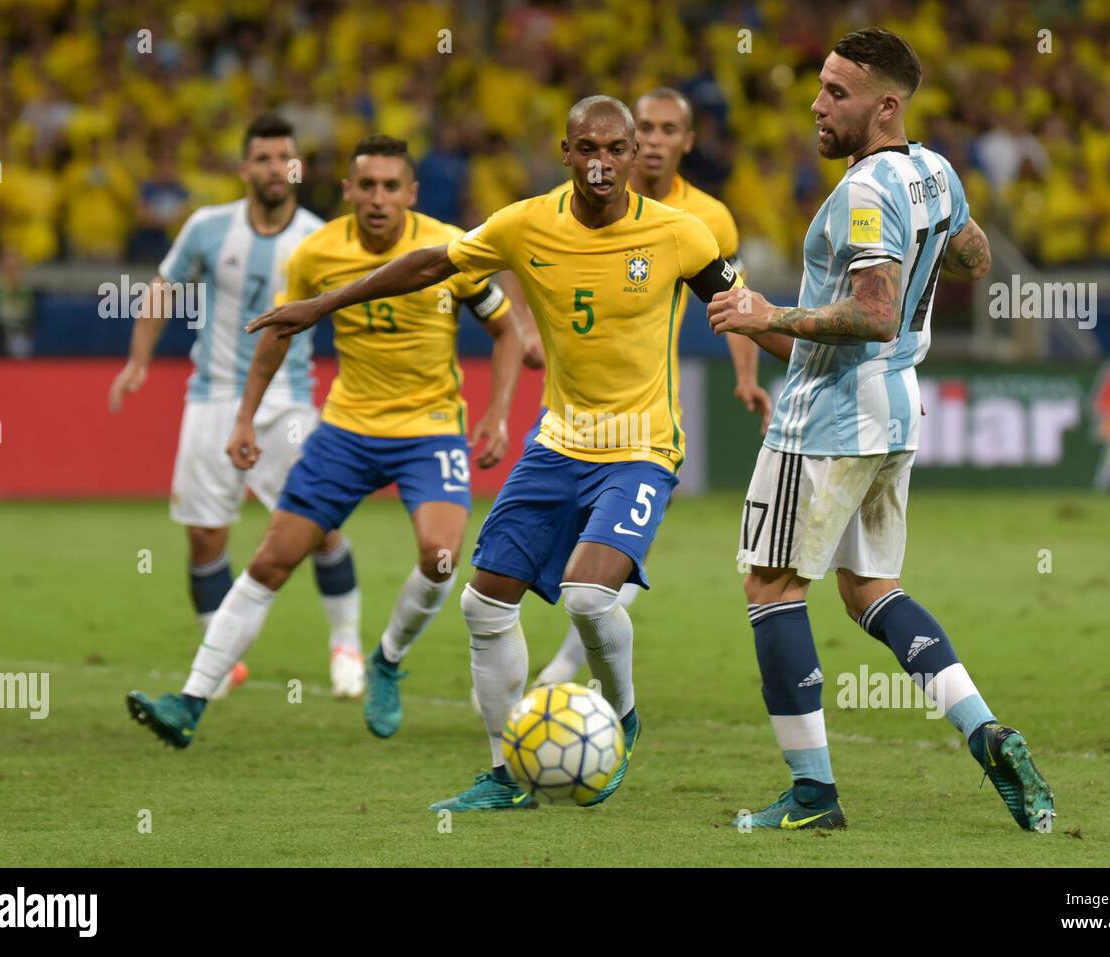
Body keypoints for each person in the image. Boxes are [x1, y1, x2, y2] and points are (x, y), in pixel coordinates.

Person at [249, 96, 745, 812]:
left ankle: (624, 714)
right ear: (566, 152)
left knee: (586, 592)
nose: (602, 163)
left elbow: (744, 311)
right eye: (587, 149)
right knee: (483, 604)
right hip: (557, 442)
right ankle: (507, 775)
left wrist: (823, 363)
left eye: (616, 149)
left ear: (635, 155)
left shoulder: (680, 234)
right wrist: (324, 304)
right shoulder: (526, 223)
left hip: (641, 446)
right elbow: (428, 265)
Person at [708, 29, 1055, 832]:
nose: (817, 105)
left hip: (827, 417)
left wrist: (768, 311)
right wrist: (927, 240)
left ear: (885, 105)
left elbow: (873, 312)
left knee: (770, 586)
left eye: (837, 93)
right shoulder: (934, 170)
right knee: (870, 591)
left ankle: (812, 796)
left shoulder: (866, 191)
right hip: (895, 408)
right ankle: (987, 731)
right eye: (821, 87)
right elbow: (976, 256)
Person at [124, 135, 522, 748]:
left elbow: (505, 332)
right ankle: (189, 701)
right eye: (367, 186)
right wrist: (243, 418)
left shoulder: (450, 247)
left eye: (392, 187)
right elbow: (278, 334)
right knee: (270, 561)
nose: (379, 199)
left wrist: (496, 413)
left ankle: (387, 658)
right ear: (347, 192)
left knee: (440, 559)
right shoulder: (316, 253)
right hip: (346, 431)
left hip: (429, 431)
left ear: (411, 194)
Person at [528, 87, 785, 691]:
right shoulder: (574, 206)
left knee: (601, 563)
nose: (658, 140)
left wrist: (746, 377)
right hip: (568, 412)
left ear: (685, 142)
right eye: (648, 126)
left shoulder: (706, 220)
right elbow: (514, 254)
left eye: (671, 129)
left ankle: (575, 667)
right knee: (534, 562)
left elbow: (733, 303)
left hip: (645, 418)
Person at [110, 114, 359, 701]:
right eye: (265, 158)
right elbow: (164, 286)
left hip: (289, 401)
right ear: (245, 168)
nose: (276, 168)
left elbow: (356, 312)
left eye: (285, 158)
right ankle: (220, 656)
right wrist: (138, 360)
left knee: (320, 526)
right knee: (204, 537)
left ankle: (345, 645)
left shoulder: (320, 237)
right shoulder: (207, 227)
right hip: (213, 395)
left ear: (297, 168)